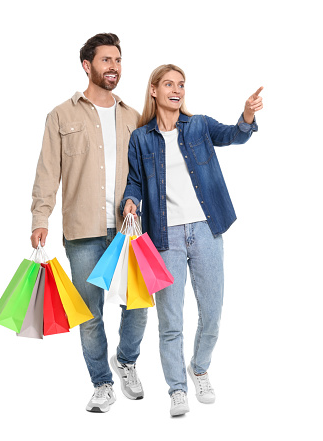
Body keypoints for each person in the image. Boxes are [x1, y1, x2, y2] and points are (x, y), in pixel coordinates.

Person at [122, 64, 263, 416]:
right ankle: (177, 389)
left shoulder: (198, 125)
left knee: (212, 313)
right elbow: (135, 181)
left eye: (181, 84)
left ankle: (199, 368)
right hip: (164, 235)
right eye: (169, 84)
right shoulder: (141, 138)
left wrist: (246, 116)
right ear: (153, 90)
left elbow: (234, 135)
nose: (176, 90)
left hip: (206, 229)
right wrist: (130, 200)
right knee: (170, 320)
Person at [30, 33, 148, 413]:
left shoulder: (133, 117)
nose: (113, 66)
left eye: (118, 60)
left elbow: (148, 172)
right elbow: (48, 172)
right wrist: (40, 217)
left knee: (137, 305)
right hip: (82, 232)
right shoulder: (61, 116)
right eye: (106, 60)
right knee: (90, 312)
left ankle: (126, 361)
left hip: (128, 230)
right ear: (87, 65)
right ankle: (102, 383)